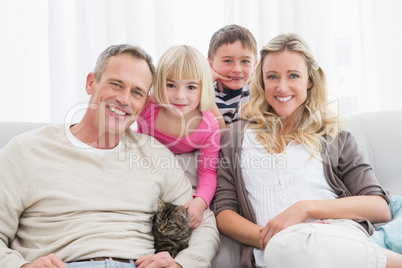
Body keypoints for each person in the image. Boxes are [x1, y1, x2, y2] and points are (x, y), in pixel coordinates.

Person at [0, 44, 219, 268]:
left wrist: (182, 264)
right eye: (116, 84)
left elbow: (204, 224)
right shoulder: (26, 150)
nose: (124, 100)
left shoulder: (155, 154)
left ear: (144, 102)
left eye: (136, 92)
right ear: (90, 83)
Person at [212, 33, 402, 267]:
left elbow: (379, 207)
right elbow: (224, 213)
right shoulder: (235, 138)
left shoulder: (332, 135)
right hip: (273, 249)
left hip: (336, 235)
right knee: (283, 249)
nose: (282, 87)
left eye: (293, 75)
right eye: (272, 76)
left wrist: (304, 209)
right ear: (261, 81)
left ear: (309, 80)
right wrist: (277, 235)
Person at [136, 45, 220, 229]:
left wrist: (200, 202)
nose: (179, 96)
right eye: (170, 85)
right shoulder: (147, 108)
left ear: (203, 88)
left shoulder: (208, 126)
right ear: (158, 84)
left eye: (191, 87)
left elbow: (208, 172)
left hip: (184, 167)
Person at [207, 24, 258, 129]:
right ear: (211, 64)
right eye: (228, 61)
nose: (237, 69)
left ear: (254, 65)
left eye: (245, 61)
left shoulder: (257, 93)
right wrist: (206, 86)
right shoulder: (204, 94)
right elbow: (215, 133)